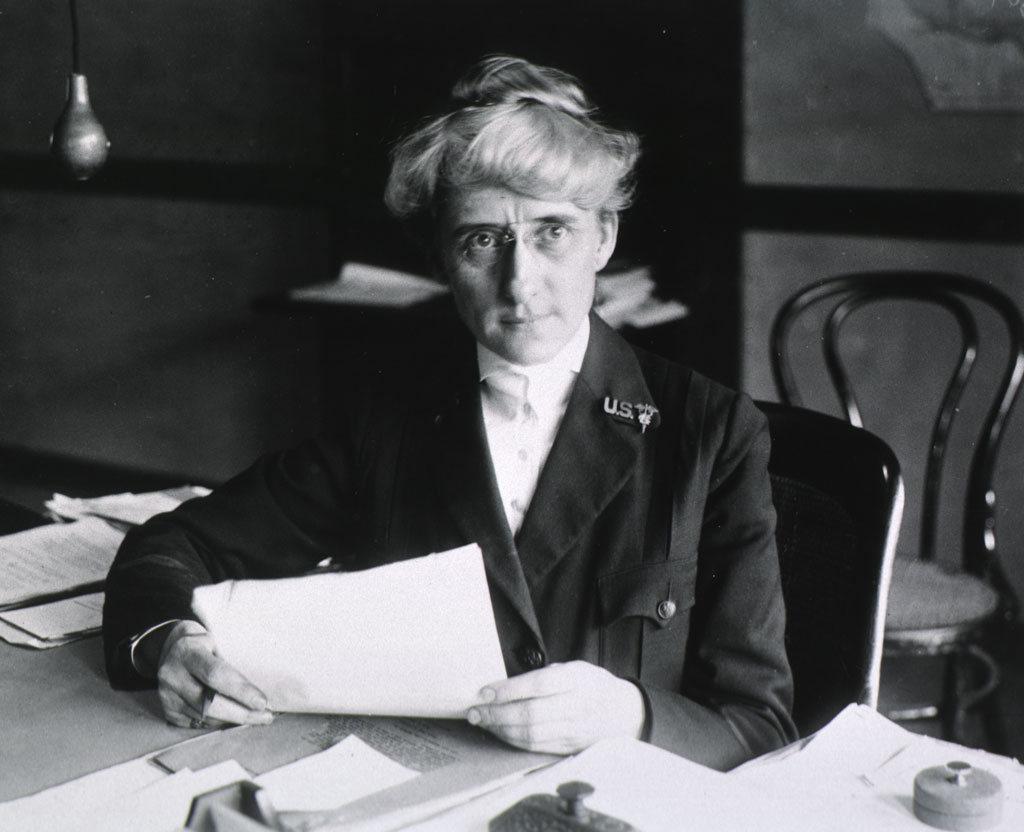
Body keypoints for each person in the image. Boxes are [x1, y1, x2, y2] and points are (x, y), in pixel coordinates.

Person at [103, 55, 796, 771]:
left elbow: (760, 725)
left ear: (605, 239)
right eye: (482, 240)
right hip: (413, 792)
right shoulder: (390, 418)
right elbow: (173, 549)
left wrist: (630, 713)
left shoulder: (709, 430)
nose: (519, 281)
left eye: (552, 231)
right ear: (441, 258)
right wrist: (170, 640)